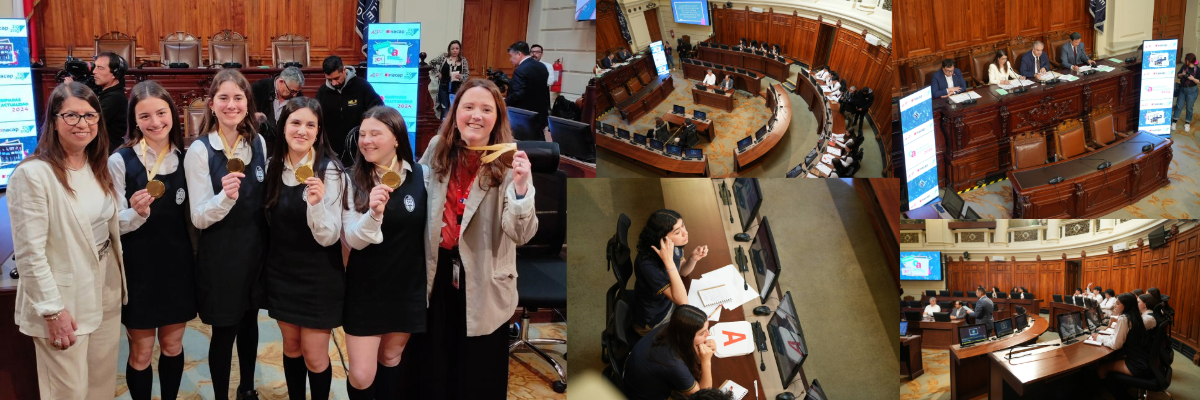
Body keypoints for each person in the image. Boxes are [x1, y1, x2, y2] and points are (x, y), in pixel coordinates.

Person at [406, 78, 538, 399]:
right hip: (438, 272)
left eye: (486, 109)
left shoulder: (508, 161)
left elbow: (520, 234)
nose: (476, 115)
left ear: (497, 118)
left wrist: (522, 188)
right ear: (456, 114)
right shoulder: (438, 147)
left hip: (484, 277)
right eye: (468, 107)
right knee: (435, 363)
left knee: (477, 371)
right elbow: (415, 196)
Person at [10, 82, 125, 400]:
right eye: (71, 115)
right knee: (68, 391)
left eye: (90, 115)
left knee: (101, 384)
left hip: (106, 284)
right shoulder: (34, 174)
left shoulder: (95, 164)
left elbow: (101, 225)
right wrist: (52, 311)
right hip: (64, 298)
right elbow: (30, 255)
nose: (82, 123)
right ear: (54, 119)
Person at [184, 69, 269, 400]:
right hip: (220, 255)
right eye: (223, 98)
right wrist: (225, 198)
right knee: (224, 332)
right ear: (212, 105)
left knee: (250, 324)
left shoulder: (258, 143)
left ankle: (247, 389)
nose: (231, 104)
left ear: (248, 103)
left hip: (254, 251)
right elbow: (199, 217)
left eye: (238, 98)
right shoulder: (200, 150)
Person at [109, 81, 196, 400]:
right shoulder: (120, 160)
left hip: (178, 267)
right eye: (145, 116)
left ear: (173, 114)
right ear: (134, 120)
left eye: (161, 113)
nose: (155, 122)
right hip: (139, 268)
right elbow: (112, 224)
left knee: (173, 346)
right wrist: (136, 213)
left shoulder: (187, 157)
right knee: (141, 353)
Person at [262, 97, 348, 400]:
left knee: (314, 355)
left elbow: (330, 236)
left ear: (319, 131)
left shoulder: (330, 171)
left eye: (310, 125)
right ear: (283, 126)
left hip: (318, 276)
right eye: (295, 122)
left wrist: (316, 205)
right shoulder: (272, 167)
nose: (302, 130)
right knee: (291, 347)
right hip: (282, 273)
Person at [338, 105, 427, 400]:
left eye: (375, 133)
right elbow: (353, 239)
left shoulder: (421, 176)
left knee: (391, 358)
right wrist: (374, 214)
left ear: (397, 138)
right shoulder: (350, 179)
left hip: (407, 287)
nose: (366, 141)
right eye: (363, 134)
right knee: (362, 375)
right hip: (365, 289)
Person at [631, 209, 708, 336]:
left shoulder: (672, 246)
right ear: (662, 239)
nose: (685, 233)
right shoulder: (648, 265)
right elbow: (682, 302)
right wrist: (669, 262)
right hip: (654, 320)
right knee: (694, 334)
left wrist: (692, 258)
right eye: (677, 232)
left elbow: (682, 271)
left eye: (683, 226)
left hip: (668, 304)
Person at [622, 305, 716, 400]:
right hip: (642, 395)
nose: (708, 334)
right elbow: (703, 396)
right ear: (687, 337)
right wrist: (706, 361)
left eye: (707, 329)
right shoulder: (675, 365)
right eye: (702, 333)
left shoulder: (675, 328)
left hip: (635, 375)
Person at [316, 56, 383, 165]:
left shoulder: (362, 86)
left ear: (343, 70)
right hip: (332, 153)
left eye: (336, 78)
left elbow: (379, 110)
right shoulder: (322, 92)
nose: (333, 83)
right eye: (329, 79)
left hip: (360, 149)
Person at [1089, 293, 1153, 389]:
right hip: (1145, 359)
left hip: (1138, 365)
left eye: (1118, 304)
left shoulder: (1124, 319)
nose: (1114, 305)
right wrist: (1102, 337)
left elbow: (1116, 345)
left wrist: (1099, 338)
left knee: (1101, 369)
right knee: (1112, 359)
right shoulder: (1136, 316)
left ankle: (1120, 395)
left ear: (1126, 306)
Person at [251, 66, 305, 152]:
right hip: (259, 146)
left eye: (297, 92)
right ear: (281, 82)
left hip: (284, 149)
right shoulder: (258, 88)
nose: (294, 95)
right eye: (292, 91)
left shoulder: (298, 97)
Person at [505, 41, 551, 136]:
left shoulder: (521, 69)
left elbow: (518, 94)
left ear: (519, 54)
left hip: (523, 115)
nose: (510, 59)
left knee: (523, 141)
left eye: (511, 56)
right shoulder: (542, 66)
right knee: (537, 139)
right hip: (540, 113)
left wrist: (504, 102)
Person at [94, 52, 129, 152]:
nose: (94, 71)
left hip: (107, 152)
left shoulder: (115, 98)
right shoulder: (108, 93)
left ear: (115, 73)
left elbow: (91, 121)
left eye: (100, 68)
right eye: (95, 66)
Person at [430, 40, 470, 119]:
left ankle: (453, 126)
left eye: (457, 48)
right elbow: (431, 63)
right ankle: (444, 126)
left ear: (459, 50)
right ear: (449, 49)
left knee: (454, 110)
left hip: (456, 88)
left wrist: (461, 76)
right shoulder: (443, 57)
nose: (455, 50)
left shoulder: (463, 60)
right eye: (452, 49)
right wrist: (437, 73)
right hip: (443, 87)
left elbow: (466, 74)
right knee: (445, 110)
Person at [1173, 53, 1199, 132]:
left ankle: (1187, 123)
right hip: (1182, 89)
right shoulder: (1184, 67)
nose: (1184, 60)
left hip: (1192, 91)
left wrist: (1193, 79)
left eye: (1186, 59)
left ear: (1189, 60)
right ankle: (1174, 122)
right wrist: (1182, 74)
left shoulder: (1197, 69)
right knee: (1179, 106)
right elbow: (1178, 76)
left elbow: (1199, 81)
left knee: (1189, 108)